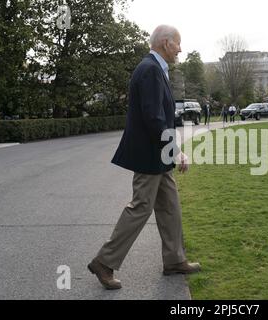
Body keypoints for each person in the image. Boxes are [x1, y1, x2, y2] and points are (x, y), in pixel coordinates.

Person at [87, 25, 200, 290]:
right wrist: (175, 150)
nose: (180, 49)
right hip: (151, 155)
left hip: (158, 156)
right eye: (178, 44)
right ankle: (104, 262)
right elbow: (153, 118)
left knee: (170, 206)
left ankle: (174, 260)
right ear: (165, 42)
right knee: (141, 207)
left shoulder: (155, 68)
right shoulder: (150, 69)